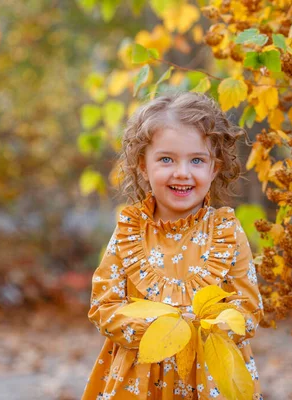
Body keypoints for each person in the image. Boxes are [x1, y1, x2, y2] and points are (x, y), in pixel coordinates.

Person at [82, 92, 264, 399]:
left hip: (209, 377)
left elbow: (247, 307)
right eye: (166, 159)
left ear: (214, 168)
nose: (182, 172)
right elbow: (105, 305)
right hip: (139, 378)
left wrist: (203, 329)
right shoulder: (129, 231)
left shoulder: (226, 232)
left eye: (196, 160)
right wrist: (160, 332)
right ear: (143, 166)